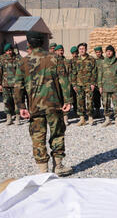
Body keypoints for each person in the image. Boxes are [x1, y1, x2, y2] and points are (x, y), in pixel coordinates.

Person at [14, 31, 73, 176]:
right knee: (57, 133)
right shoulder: (55, 58)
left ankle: (43, 170)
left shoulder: (23, 62)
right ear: (43, 43)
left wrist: (21, 106)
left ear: (29, 44)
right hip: (54, 105)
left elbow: (18, 86)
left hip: (35, 107)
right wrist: (68, 100)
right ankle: (58, 166)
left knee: (37, 136)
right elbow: (64, 80)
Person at [98, 45, 117, 127]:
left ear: (113, 52)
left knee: (116, 104)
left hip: (115, 86)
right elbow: (100, 75)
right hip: (105, 86)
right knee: (105, 103)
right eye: (107, 51)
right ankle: (107, 119)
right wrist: (100, 86)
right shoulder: (102, 62)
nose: (109, 52)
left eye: (110, 51)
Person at [72, 43, 97, 126]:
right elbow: (74, 73)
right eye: (80, 49)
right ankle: (82, 119)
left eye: (83, 48)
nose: (82, 50)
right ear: (78, 50)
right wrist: (74, 84)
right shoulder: (76, 60)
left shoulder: (91, 59)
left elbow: (94, 72)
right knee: (80, 101)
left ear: (86, 49)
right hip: (79, 84)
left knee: (90, 101)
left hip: (89, 84)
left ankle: (90, 117)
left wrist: (93, 83)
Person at [0, 43, 21, 125]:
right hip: (5, 84)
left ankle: (18, 117)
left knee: (17, 101)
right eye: (7, 51)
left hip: (16, 84)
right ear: (5, 51)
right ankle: (9, 118)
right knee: (7, 101)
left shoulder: (18, 58)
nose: (9, 52)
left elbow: (21, 71)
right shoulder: (2, 59)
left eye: (10, 50)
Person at [54, 45, 70, 125]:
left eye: (62, 50)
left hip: (65, 83)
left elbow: (69, 72)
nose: (61, 52)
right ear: (56, 51)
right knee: (57, 100)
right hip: (56, 83)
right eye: (59, 50)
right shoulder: (53, 61)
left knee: (66, 100)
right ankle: (58, 119)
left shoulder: (66, 60)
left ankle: (65, 118)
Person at [93, 46, 104, 118]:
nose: (98, 53)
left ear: (101, 52)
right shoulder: (94, 61)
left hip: (104, 82)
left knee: (105, 98)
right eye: (97, 52)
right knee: (96, 98)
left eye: (99, 52)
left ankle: (106, 112)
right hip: (96, 82)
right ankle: (97, 112)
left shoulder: (105, 60)